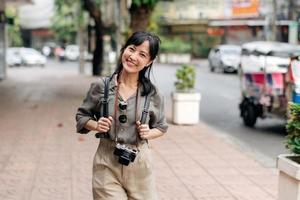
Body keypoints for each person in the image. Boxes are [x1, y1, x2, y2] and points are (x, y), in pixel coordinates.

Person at [76, 31, 168, 200]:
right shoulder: (101, 86)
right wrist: (96, 125)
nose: (133, 56)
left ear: (149, 61)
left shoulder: (153, 94)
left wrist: (148, 133)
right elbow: (82, 116)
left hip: (140, 164)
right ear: (123, 49)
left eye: (142, 54)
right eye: (131, 49)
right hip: (106, 162)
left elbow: (161, 127)